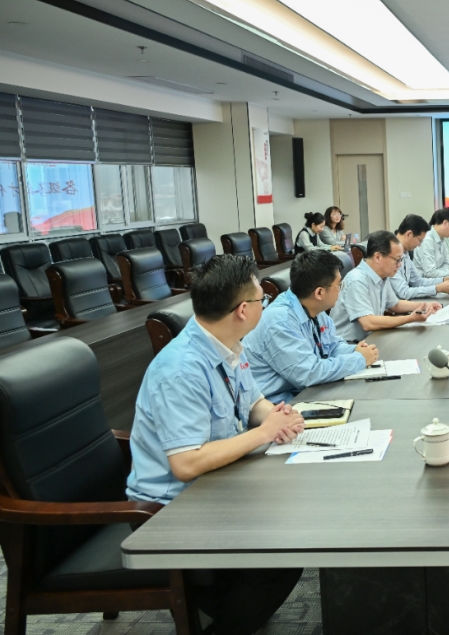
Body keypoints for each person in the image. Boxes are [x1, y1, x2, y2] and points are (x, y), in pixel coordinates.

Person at [126, 254, 305, 634]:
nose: (264, 305)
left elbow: (252, 403)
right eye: (261, 299)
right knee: (284, 551)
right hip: (173, 509)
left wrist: (276, 416)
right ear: (242, 310)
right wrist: (263, 433)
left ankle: (234, 608)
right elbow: (186, 464)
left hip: (218, 486)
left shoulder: (227, 345)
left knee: (295, 517)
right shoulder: (181, 370)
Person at [245, 250, 379, 404]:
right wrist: (359, 359)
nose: (340, 290)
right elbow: (308, 374)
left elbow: (332, 346)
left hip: (304, 392)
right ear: (319, 293)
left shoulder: (314, 308)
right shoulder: (280, 321)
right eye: (339, 285)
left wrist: (355, 350)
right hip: (275, 403)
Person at [331, 229, 441, 342]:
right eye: (397, 260)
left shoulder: (382, 275)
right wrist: (411, 318)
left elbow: (395, 305)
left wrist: (424, 306)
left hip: (371, 338)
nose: (400, 265)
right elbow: (368, 322)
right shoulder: (357, 280)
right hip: (349, 345)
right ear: (378, 257)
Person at [392, 214, 449, 299]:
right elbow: (404, 293)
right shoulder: (391, 254)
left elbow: (418, 281)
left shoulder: (405, 253)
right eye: (419, 240)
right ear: (409, 234)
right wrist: (437, 288)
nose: (419, 245)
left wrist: (443, 280)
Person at [415, 208, 449, 278]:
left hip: (439, 279)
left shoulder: (442, 238)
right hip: (427, 282)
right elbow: (430, 273)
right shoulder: (427, 240)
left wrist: (442, 272)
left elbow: (447, 264)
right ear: (445, 223)